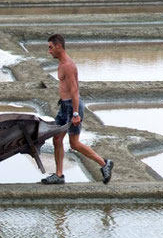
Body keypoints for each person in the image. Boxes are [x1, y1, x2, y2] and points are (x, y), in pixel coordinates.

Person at [42, 34, 114, 185]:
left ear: (58, 46)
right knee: (57, 139)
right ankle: (59, 175)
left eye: (50, 47)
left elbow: (74, 91)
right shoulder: (61, 63)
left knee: (74, 143)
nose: (49, 51)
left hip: (72, 107)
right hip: (64, 106)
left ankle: (104, 163)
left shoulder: (68, 65)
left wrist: (75, 113)